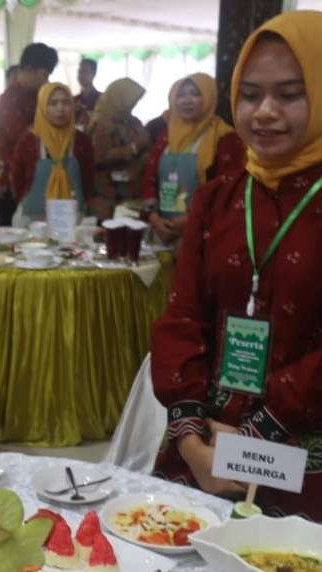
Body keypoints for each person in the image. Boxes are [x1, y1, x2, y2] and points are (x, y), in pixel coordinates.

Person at [151, 10, 322, 521]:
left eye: (289, 94)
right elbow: (182, 315)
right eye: (250, 95)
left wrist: (255, 436)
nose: (264, 112)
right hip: (205, 443)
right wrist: (189, 436)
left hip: (305, 454)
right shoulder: (218, 199)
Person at [141, 73, 244, 245]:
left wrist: (192, 220)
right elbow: (149, 179)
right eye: (181, 95)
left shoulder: (224, 138)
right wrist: (153, 217)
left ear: (209, 97)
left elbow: (230, 190)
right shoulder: (166, 137)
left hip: (206, 234)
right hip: (163, 231)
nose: (187, 100)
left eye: (195, 94)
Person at [0, 43, 60, 226]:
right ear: (29, 70)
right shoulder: (9, 102)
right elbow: (26, 139)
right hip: (12, 182)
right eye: (44, 75)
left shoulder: (38, 97)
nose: (46, 81)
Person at [11, 82, 94, 224]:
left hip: (73, 220)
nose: (60, 108)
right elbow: (16, 179)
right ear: (43, 107)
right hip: (32, 221)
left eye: (66, 102)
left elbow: (88, 179)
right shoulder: (28, 141)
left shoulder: (81, 141)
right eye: (53, 103)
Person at [87, 77, 150, 220]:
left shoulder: (133, 121)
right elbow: (101, 157)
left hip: (132, 195)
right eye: (131, 100)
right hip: (107, 197)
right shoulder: (101, 123)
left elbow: (147, 146)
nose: (134, 104)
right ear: (119, 98)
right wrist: (134, 148)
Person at [0, 65, 21, 129]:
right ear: (7, 80)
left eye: (20, 79)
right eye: (15, 78)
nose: (18, 82)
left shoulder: (30, 103)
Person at [75, 58, 102, 131]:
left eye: (85, 71)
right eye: (79, 72)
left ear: (94, 74)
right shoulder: (73, 100)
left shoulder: (102, 99)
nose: (81, 75)